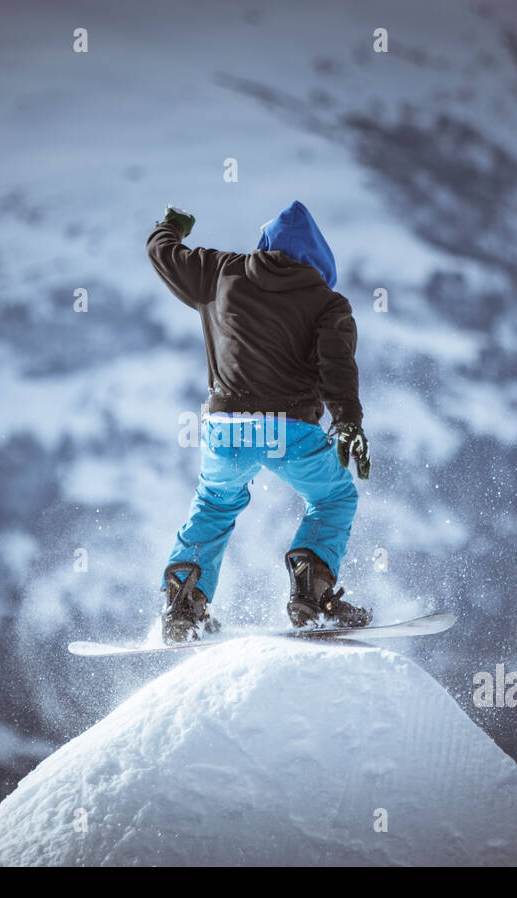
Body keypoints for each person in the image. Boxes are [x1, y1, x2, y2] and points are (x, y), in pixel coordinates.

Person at [147, 199, 372, 644]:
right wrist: (348, 420)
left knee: (214, 504)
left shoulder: (220, 271)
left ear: (266, 246)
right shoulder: (328, 302)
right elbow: (336, 365)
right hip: (288, 429)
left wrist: (170, 225)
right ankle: (310, 594)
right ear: (320, 262)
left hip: (225, 428)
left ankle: (184, 605)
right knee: (333, 498)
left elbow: (161, 253)